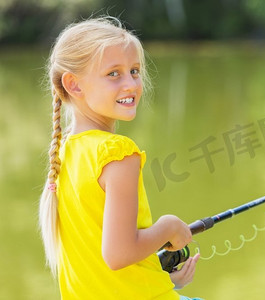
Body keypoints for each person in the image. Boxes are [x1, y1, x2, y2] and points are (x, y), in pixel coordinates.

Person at [39, 16, 202, 300]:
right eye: (114, 73)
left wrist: (163, 279)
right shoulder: (117, 152)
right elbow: (119, 253)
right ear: (74, 85)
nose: (130, 84)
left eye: (135, 71)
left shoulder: (64, 152)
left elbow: (101, 260)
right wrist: (168, 226)